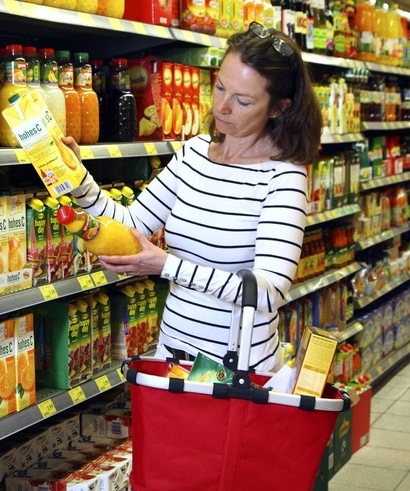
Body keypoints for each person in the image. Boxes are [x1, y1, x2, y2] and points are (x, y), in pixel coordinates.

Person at [65, 22, 321, 371]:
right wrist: (76, 179)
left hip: (237, 369)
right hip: (173, 355)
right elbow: (129, 223)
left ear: (278, 108)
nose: (222, 108)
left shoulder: (283, 177)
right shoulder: (195, 152)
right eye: (219, 88)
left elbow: (268, 291)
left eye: (242, 101)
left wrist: (166, 266)